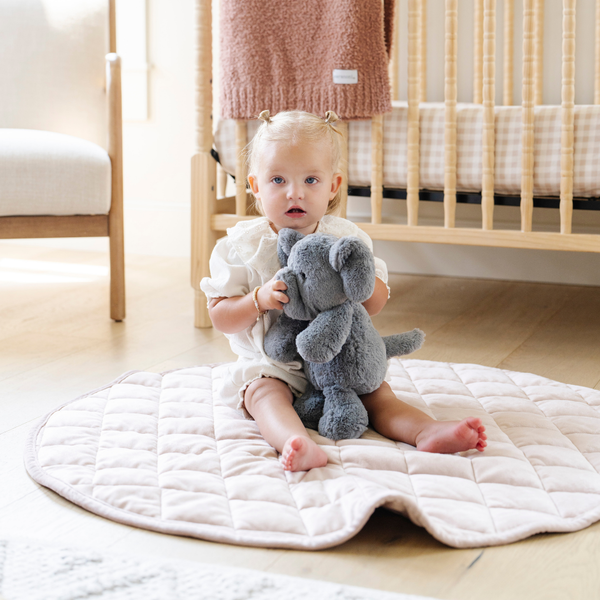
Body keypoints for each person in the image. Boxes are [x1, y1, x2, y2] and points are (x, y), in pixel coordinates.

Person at [200, 110, 487, 472]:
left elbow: (377, 301)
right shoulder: (241, 246)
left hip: (340, 361)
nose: (295, 192)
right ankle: (294, 441)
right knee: (262, 395)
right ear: (255, 186)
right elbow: (221, 316)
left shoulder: (345, 241)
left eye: (310, 180)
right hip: (274, 364)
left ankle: (425, 431)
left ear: (333, 186)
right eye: (277, 179)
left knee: (377, 394)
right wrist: (258, 299)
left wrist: (357, 283)